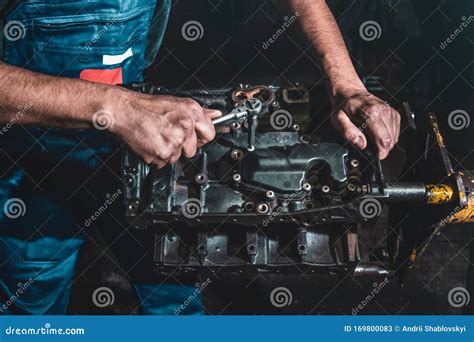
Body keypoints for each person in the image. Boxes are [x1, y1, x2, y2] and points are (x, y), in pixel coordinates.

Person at [0, 0, 400, 314]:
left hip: (147, 152)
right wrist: (113, 107)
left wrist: (346, 82)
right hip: (29, 166)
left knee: (174, 294)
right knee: (32, 302)